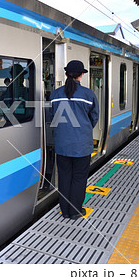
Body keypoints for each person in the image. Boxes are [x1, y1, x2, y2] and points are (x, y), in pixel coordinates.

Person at [49, 60, 99, 220]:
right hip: (82, 145)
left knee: (64, 177)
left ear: (66, 74)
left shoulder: (55, 94)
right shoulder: (88, 94)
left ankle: (65, 210)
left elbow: (53, 117)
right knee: (79, 177)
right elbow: (94, 117)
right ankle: (75, 211)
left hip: (62, 145)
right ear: (81, 75)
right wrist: (83, 130)